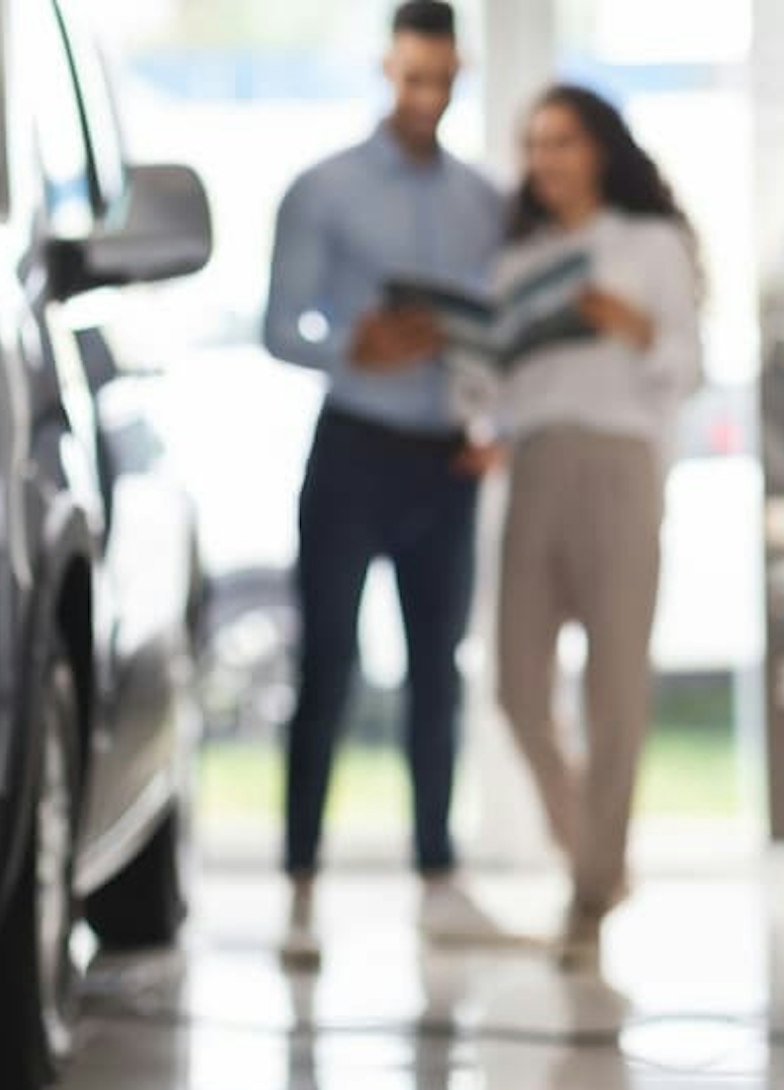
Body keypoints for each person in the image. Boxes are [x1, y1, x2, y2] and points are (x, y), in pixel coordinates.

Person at [262, 0, 508, 962]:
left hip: (445, 459)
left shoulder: (484, 200)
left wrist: (496, 421)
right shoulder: (321, 190)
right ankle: (300, 889)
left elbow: (507, 330)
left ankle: (438, 880)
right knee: (328, 667)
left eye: (442, 80)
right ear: (385, 68)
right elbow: (281, 327)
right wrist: (352, 344)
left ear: (458, 73)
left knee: (437, 674)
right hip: (353, 448)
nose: (426, 97)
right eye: (412, 78)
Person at [468, 85, 704, 965]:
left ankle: (588, 897)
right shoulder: (517, 262)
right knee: (516, 688)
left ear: (599, 149)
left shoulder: (651, 245)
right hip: (532, 467)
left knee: (615, 690)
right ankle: (596, 857)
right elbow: (491, 379)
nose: (546, 160)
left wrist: (636, 328)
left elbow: (686, 364)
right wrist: (470, 398)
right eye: (534, 145)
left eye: (561, 141)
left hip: (619, 466)